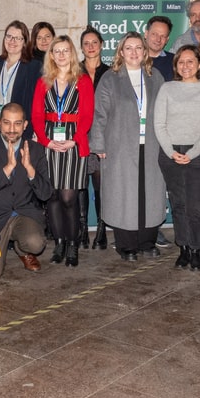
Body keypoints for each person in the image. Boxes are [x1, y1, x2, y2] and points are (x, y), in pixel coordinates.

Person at [89, 33, 164, 260]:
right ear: (121, 52)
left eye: (138, 48)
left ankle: (147, 242)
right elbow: (99, 114)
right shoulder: (110, 78)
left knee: (150, 194)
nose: (134, 52)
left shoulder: (155, 77)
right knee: (124, 195)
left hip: (151, 145)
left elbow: (165, 111)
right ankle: (126, 245)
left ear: (144, 51)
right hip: (119, 146)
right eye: (128, 48)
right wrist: (98, 144)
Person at [154, 45, 200, 270]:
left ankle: (196, 249)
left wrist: (191, 154)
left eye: (190, 61)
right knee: (178, 204)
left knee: (195, 206)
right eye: (181, 62)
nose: (185, 66)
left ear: (199, 64)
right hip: (170, 153)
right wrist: (171, 151)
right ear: (176, 65)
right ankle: (183, 247)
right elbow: (159, 124)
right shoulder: (167, 88)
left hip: (199, 154)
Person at [30, 35, 95, 266]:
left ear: (72, 53)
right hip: (49, 141)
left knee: (68, 197)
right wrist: (45, 141)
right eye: (56, 51)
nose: (61, 55)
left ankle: (73, 244)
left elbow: (87, 115)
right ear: (51, 55)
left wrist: (74, 140)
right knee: (53, 196)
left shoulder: (82, 80)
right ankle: (59, 243)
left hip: (73, 141)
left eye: (65, 50)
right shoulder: (43, 81)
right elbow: (37, 115)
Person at [0, 104, 52, 278]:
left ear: (25, 125)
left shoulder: (36, 150)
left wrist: (30, 169)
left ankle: (22, 250)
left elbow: (46, 193)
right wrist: (7, 169)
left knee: (35, 243)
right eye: (7, 123)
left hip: (23, 214)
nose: (11, 129)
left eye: (17, 123)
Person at [80, 27, 111, 249]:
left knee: (101, 185)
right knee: (80, 183)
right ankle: (82, 230)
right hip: (79, 134)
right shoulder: (74, 71)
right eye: (86, 43)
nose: (90, 47)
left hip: (102, 135)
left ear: (101, 45)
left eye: (94, 42)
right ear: (81, 48)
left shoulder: (111, 72)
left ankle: (101, 229)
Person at [0, 20, 38, 119]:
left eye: (18, 38)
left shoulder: (34, 67)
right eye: (9, 36)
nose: (12, 41)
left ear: (25, 42)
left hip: (20, 124)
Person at [145, 15, 175, 80]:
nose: (158, 39)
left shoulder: (175, 61)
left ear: (167, 40)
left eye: (163, 36)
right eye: (154, 34)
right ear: (146, 34)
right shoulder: (134, 59)